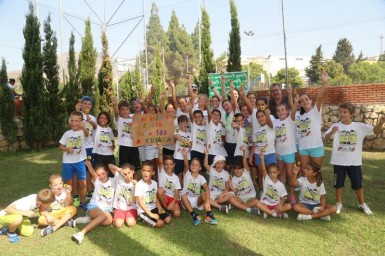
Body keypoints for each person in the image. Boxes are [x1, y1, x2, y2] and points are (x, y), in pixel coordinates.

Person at [324, 103, 385, 215]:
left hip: (354, 162)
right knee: (339, 184)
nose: (342, 114)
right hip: (338, 161)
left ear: (351, 114)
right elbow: (325, 137)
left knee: (358, 184)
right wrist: (332, 132)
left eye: (345, 112)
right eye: (340, 112)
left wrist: (381, 122)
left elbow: (375, 130)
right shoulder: (335, 126)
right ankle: (339, 203)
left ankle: (361, 203)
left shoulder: (359, 127)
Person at [291, 71, 327, 175]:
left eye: (306, 99)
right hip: (303, 148)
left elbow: (319, 98)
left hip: (316, 147)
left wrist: (324, 83)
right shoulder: (298, 115)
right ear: (300, 104)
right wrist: (295, 102)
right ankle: (306, 190)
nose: (305, 101)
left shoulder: (315, 112)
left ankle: (318, 190)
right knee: (305, 172)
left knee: (316, 172)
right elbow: (292, 115)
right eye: (302, 101)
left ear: (310, 101)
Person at [71, 161, 116, 244]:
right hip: (94, 207)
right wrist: (89, 165)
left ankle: (89, 220)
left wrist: (120, 169)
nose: (101, 176)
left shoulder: (113, 181)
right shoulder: (97, 181)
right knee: (102, 215)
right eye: (99, 175)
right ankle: (81, 233)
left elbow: (112, 167)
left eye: (103, 173)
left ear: (107, 172)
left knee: (109, 221)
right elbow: (92, 173)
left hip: (106, 209)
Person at [59, 111, 89, 210]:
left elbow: (87, 134)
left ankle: (82, 202)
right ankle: (70, 200)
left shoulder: (83, 131)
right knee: (69, 183)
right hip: (68, 162)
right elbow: (60, 147)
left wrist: (83, 126)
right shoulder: (67, 133)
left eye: (76, 121)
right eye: (72, 120)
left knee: (83, 183)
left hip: (80, 161)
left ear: (81, 122)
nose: (73, 123)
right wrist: (67, 149)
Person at [181, 149, 218, 225]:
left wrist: (207, 201)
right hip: (186, 200)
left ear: (200, 168)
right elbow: (186, 165)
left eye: (196, 165)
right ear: (190, 167)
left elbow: (207, 189)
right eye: (193, 164)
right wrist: (185, 155)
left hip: (197, 201)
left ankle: (209, 215)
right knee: (183, 195)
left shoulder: (201, 178)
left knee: (204, 194)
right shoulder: (187, 174)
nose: (194, 166)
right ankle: (193, 215)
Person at [135, 161, 171, 228]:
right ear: (141, 171)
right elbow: (140, 202)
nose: (146, 173)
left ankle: (152, 217)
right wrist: (151, 214)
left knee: (168, 219)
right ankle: (142, 218)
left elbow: (155, 197)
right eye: (144, 170)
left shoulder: (154, 183)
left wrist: (160, 208)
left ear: (153, 172)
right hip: (143, 211)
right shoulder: (139, 185)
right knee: (160, 223)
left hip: (154, 208)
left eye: (148, 171)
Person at [255, 154, 292, 219]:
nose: (272, 174)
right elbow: (263, 170)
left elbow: (283, 197)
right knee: (258, 204)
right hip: (265, 204)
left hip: (276, 205)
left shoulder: (281, 185)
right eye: (270, 172)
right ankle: (274, 214)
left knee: (289, 206)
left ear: (278, 172)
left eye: (274, 172)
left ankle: (268, 212)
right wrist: (262, 159)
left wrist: (280, 205)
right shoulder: (267, 179)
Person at [273, 102, 297, 204]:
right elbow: (273, 138)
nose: (280, 112)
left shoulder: (290, 120)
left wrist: (295, 101)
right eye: (278, 111)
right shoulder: (275, 122)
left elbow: (294, 110)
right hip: (279, 153)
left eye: (283, 110)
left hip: (289, 152)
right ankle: (282, 194)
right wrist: (275, 150)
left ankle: (292, 195)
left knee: (290, 174)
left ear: (287, 111)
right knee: (281, 174)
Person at [250, 108, 276, 194]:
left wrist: (267, 115)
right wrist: (251, 155)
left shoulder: (270, 126)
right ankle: (265, 192)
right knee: (263, 174)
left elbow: (271, 124)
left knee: (272, 174)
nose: (260, 118)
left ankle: (274, 192)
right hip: (258, 155)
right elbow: (254, 144)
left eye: (262, 116)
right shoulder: (256, 130)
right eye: (258, 117)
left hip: (270, 154)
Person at [228, 146, 260, 215]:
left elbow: (244, 161)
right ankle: (248, 209)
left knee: (256, 202)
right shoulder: (233, 179)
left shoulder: (246, 172)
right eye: (235, 169)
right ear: (233, 169)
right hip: (240, 198)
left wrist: (244, 151)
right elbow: (236, 192)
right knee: (231, 199)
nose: (237, 171)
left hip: (251, 197)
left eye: (239, 169)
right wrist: (231, 186)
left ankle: (237, 207)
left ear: (242, 169)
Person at [113, 98, 140, 170]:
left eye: (127, 109)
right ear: (120, 111)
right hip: (124, 147)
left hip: (134, 146)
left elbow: (139, 114)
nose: (125, 111)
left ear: (129, 109)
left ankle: (135, 181)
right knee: (124, 168)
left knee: (135, 169)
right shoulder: (119, 119)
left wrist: (139, 103)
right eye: (123, 109)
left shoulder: (133, 117)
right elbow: (116, 113)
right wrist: (115, 104)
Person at [108, 163, 137, 228]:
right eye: (125, 174)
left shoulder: (135, 183)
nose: (127, 176)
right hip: (119, 208)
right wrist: (118, 169)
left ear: (133, 171)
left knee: (130, 223)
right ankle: (118, 217)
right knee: (118, 224)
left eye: (129, 173)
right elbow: (109, 165)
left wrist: (135, 186)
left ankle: (129, 217)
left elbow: (133, 200)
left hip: (131, 208)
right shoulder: (119, 178)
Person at [157, 144, 181, 218]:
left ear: (174, 165)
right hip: (163, 197)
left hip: (172, 198)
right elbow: (160, 161)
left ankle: (170, 208)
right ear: (163, 165)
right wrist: (160, 150)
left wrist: (173, 202)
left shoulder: (176, 177)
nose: (168, 166)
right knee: (160, 190)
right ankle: (166, 209)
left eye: (171, 164)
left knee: (177, 214)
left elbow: (177, 192)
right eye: (166, 164)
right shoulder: (162, 172)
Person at [81, 96, 97, 202]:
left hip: (91, 147)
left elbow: (96, 128)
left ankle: (92, 191)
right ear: (81, 104)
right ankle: (86, 191)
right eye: (85, 103)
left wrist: (91, 121)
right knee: (83, 170)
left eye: (89, 104)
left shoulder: (93, 117)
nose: (87, 105)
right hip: (81, 147)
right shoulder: (77, 115)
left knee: (91, 169)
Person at [92, 111, 115, 176]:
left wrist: (113, 145)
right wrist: (90, 120)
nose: (103, 120)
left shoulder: (109, 129)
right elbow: (93, 124)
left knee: (110, 173)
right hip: (99, 154)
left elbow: (112, 139)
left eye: (105, 118)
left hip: (109, 154)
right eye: (101, 118)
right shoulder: (96, 127)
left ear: (108, 120)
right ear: (98, 119)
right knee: (99, 172)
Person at [173, 115, 192, 184]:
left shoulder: (190, 133)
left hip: (188, 156)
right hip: (178, 156)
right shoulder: (177, 130)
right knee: (179, 174)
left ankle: (184, 189)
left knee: (186, 173)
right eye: (181, 123)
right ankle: (179, 189)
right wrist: (176, 137)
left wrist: (181, 139)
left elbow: (190, 145)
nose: (183, 125)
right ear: (178, 124)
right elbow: (174, 137)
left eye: (184, 123)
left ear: (187, 123)